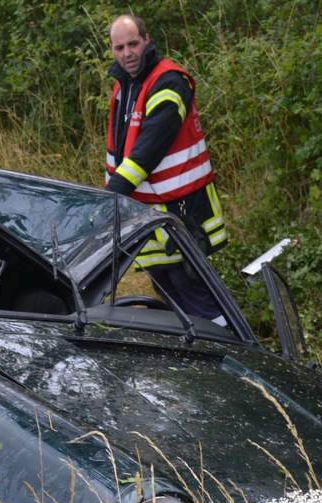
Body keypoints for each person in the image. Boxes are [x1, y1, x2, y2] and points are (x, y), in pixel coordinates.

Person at [105, 14, 228, 320]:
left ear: (147, 40)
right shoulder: (125, 84)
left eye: (133, 44)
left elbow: (148, 149)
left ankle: (233, 355)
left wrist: (109, 199)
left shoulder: (169, 80)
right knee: (170, 295)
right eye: (119, 47)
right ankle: (200, 360)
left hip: (182, 212)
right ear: (111, 50)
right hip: (146, 214)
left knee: (198, 297)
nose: (127, 53)